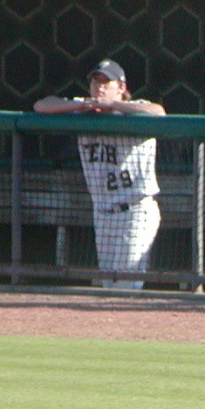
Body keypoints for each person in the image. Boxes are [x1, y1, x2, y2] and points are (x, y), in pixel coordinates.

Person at [34, 59, 164, 289]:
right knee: (109, 285)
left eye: (106, 81)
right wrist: (79, 104)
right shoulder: (84, 111)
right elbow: (42, 106)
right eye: (95, 81)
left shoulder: (134, 110)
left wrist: (115, 105)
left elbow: (158, 112)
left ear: (121, 87)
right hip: (103, 212)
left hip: (135, 209)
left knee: (126, 286)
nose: (99, 87)